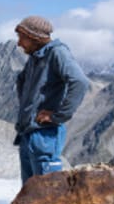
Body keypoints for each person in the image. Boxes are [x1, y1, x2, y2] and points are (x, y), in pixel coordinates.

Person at [14, 15, 89, 184]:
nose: (19, 43)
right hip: (28, 133)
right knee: (30, 193)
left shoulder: (57, 53)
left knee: (48, 191)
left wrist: (57, 116)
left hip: (45, 135)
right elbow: (22, 81)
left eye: (22, 38)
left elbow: (80, 82)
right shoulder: (36, 56)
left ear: (34, 37)